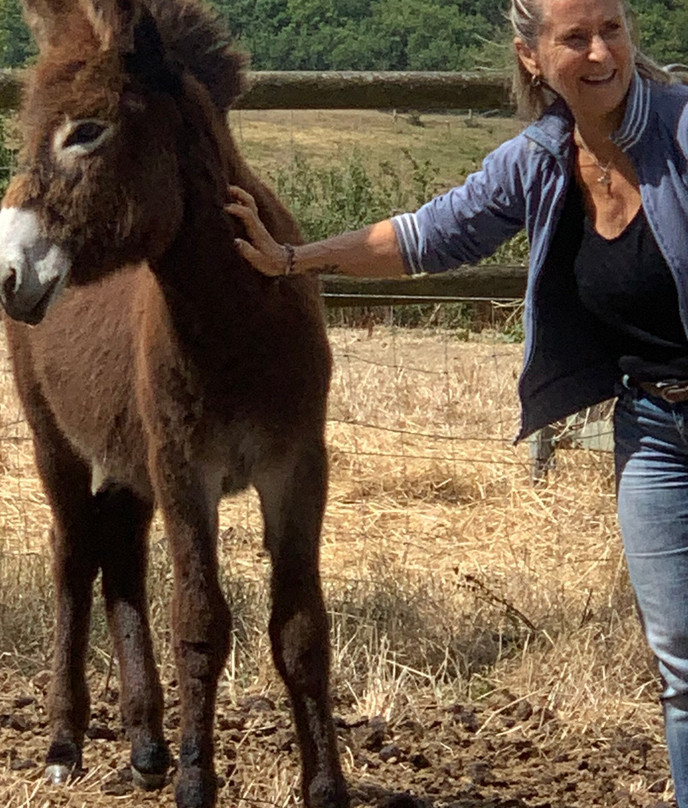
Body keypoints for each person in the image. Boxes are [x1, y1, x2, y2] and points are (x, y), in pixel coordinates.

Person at [227, 0, 688, 801]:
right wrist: (293, 257)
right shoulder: (542, 160)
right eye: (574, 37)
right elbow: (425, 236)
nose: (601, 51)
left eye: (611, 28)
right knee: (682, 662)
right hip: (651, 426)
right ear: (532, 57)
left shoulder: (683, 132)